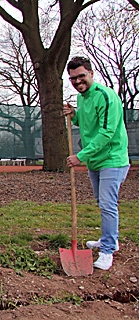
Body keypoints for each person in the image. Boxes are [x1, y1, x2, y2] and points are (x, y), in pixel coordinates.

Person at [63, 56, 130, 271]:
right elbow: (87, 119)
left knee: (108, 204)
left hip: (112, 159)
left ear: (91, 73)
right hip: (95, 160)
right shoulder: (82, 97)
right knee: (102, 203)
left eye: (81, 76)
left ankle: (108, 250)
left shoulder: (106, 96)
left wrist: (81, 156)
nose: (77, 81)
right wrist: (74, 115)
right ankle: (111, 238)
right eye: (73, 78)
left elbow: (107, 132)